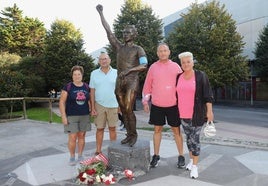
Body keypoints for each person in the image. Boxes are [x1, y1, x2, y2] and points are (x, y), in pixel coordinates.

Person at [96, 4, 148, 147]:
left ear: (134, 34)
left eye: (128, 32)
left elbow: (144, 65)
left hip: (131, 81)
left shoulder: (138, 49)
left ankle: (134, 135)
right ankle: (128, 134)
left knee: (128, 108)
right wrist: (101, 13)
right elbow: (108, 31)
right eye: (124, 32)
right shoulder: (118, 47)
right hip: (120, 82)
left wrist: (129, 71)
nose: (125, 34)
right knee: (123, 110)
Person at [142, 43, 185, 168]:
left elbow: (182, 85)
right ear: (157, 53)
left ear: (169, 52)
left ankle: (181, 156)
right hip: (157, 105)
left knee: (176, 131)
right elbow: (147, 87)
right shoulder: (153, 68)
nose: (162, 53)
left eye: (165, 50)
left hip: (173, 105)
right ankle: (156, 155)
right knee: (157, 130)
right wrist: (145, 102)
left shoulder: (176, 67)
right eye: (160, 51)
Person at [176, 52, 214, 179]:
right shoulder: (178, 77)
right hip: (182, 114)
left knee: (195, 139)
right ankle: (192, 160)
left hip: (197, 114)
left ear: (192, 62)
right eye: (183, 62)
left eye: (188, 61)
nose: (186, 64)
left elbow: (208, 95)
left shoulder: (200, 76)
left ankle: (195, 167)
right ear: (181, 64)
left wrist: (209, 111)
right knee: (188, 138)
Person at [59, 65, 91, 166]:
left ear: (82, 75)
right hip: (71, 116)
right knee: (72, 137)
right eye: (75, 74)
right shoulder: (68, 87)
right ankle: (72, 157)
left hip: (84, 115)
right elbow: (61, 102)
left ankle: (80, 155)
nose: (77, 76)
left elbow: (89, 100)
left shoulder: (86, 86)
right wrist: (63, 116)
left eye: (79, 74)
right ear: (72, 76)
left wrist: (91, 109)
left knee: (82, 136)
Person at [89, 53, 118, 155]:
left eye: (105, 59)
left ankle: (113, 151)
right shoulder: (94, 73)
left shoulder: (116, 73)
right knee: (99, 128)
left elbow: (121, 90)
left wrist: (120, 106)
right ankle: (98, 151)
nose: (103, 61)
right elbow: (92, 91)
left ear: (109, 60)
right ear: (98, 61)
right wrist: (92, 107)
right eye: (101, 59)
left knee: (112, 129)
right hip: (99, 105)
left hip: (114, 105)